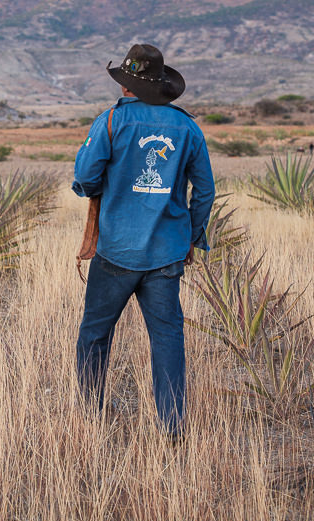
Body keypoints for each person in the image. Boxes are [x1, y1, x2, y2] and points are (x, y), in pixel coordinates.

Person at [72, 43, 215, 440]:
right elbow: (204, 192)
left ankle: (90, 415)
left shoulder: (112, 121)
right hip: (166, 253)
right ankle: (172, 426)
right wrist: (192, 236)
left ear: (128, 86)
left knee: (95, 335)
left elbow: (85, 177)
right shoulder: (187, 128)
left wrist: (102, 187)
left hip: (115, 249)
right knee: (167, 338)